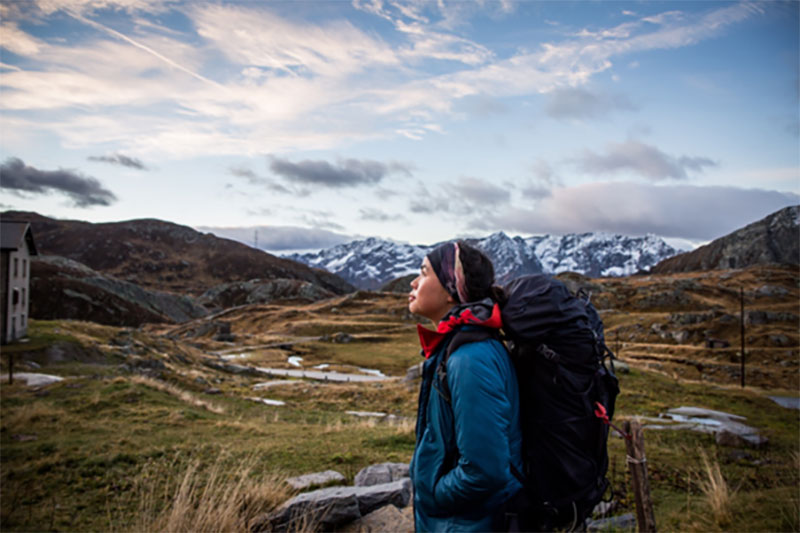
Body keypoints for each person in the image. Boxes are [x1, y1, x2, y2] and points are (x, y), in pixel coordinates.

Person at [408, 241, 523, 532]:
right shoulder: (460, 348)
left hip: (467, 523)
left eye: (423, 272)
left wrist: (436, 495)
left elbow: (485, 471)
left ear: (451, 290)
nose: (414, 281)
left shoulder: (470, 360)